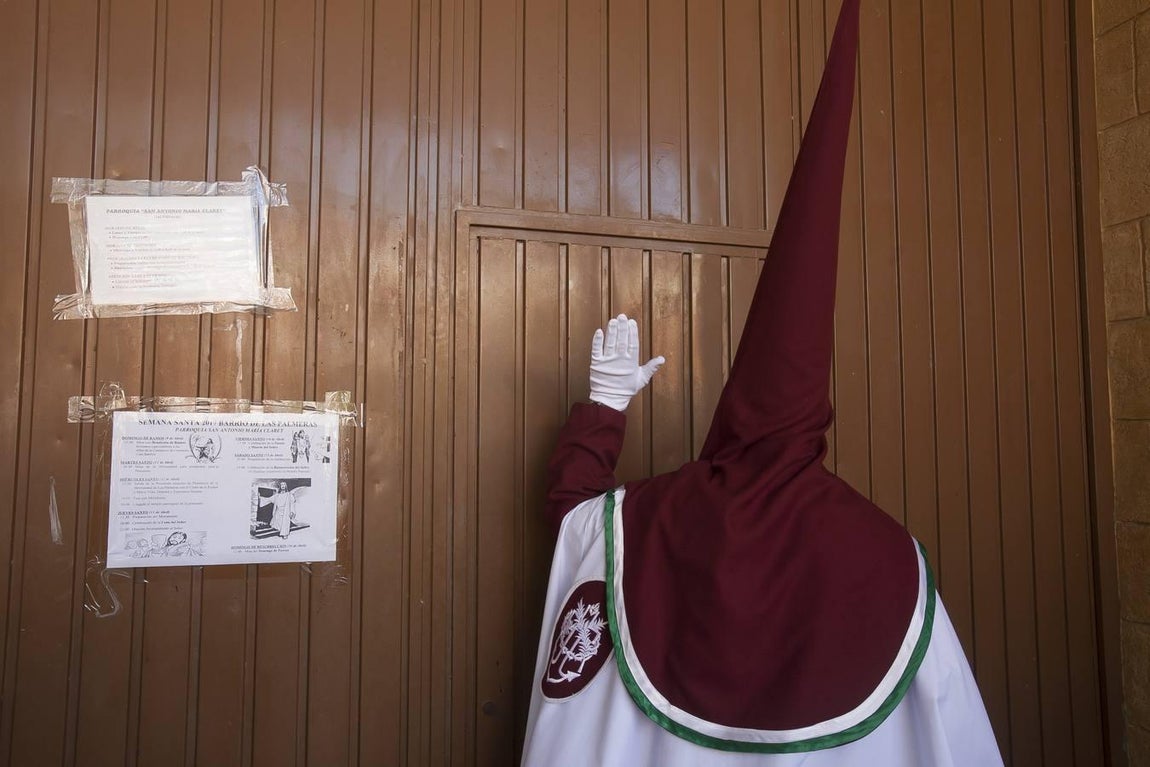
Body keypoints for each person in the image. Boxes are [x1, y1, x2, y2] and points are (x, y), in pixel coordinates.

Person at [520, 0, 1002, 763]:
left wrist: (604, 408)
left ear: (733, 408)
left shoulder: (648, 520)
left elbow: (574, 521)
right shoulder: (888, 556)